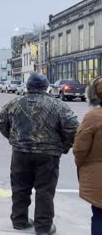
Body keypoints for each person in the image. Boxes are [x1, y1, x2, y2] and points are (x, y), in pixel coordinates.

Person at [0, 73, 79, 235]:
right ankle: (43, 226)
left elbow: (1, 121)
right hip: (48, 153)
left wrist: (14, 139)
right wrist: (63, 145)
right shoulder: (58, 105)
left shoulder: (14, 103)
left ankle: (19, 220)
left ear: (28, 87)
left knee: (20, 187)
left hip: (20, 152)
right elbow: (73, 127)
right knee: (45, 190)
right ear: (46, 87)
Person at [73, 77, 102, 235]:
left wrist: (81, 165)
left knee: (99, 216)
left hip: (98, 176)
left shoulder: (93, 117)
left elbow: (80, 149)